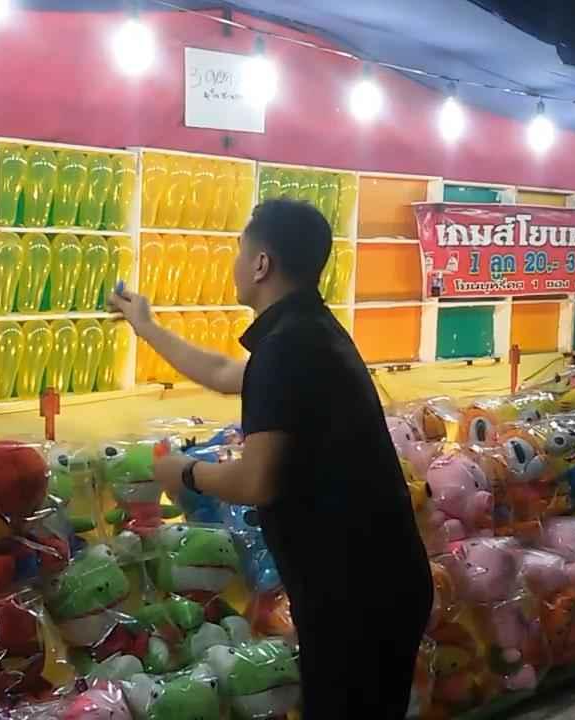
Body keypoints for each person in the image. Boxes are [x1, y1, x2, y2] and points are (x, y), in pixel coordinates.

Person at [111, 199, 432, 718]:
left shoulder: (288, 348)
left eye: (241, 251)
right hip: (375, 582)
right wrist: (145, 326)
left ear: (261, 264)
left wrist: (184, 472)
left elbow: (257, 481)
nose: (236, 264)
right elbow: (222, 372)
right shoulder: (307, 332)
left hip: (356, 594)